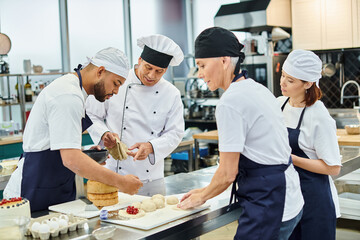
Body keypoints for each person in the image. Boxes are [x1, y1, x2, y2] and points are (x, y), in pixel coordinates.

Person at [178, 27, 304, 240]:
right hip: (289, 197)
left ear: (224, 61)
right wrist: (203, 191)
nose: (199, 74)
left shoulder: (230, 102)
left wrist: (202, 197)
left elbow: (228, 173)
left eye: (202, 65)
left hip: (269, 202)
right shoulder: (257, 88)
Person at [4, 47, 143, 211]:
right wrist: (121, 182)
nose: (116, 91)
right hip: (33, 190)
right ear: (100, 71)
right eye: (116, 83)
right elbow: (71, 159)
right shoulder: (68, 95)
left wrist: (89, 156)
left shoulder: (74, 89)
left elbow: (58, 147)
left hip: (50, 184)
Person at [85, 34, 185, 184]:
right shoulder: (118, 81)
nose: (152, 75)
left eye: (159, 71)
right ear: (140, 61)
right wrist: (104, 134)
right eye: (148, 68)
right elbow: (91, 114)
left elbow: (175, 133)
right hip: (114, 172)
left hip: (151, 176)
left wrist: (151, 147)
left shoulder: (171, 93)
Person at [278, 49, 341, 240]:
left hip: (315, 202)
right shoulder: (278, 104)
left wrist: (292, 159)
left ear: (307, 83)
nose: (282, 83)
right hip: (288, 198)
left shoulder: (318, 115)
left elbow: (333, 167)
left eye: (290, 80)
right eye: (282, 76)